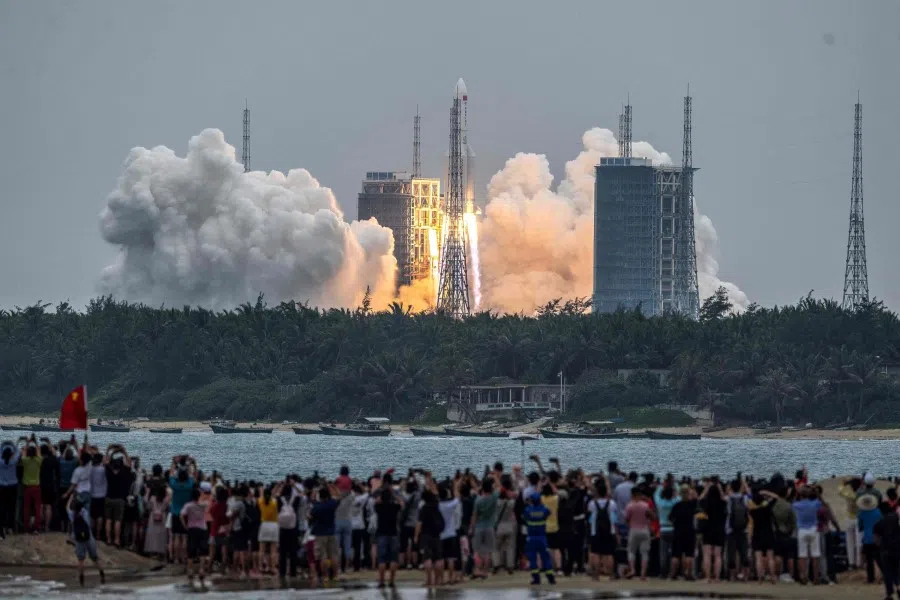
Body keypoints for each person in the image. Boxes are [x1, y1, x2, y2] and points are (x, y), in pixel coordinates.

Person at [67, 496, 105, 587]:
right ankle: (102, 574)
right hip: (89, 537)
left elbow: (67, 507)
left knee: (81, 560)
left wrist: (70, 498)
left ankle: (81, 581)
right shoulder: (85, 512)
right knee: (94, 559)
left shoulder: (71, 514)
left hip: (78, 539)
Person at [792, 485, 822, 584]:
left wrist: (797, 493)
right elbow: (820, 501)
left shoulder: (797, 505)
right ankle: (816, 577)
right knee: (815, 554)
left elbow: (793, 502)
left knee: (802, 555)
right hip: (813, 529)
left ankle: (803, 575)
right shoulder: (814, 504)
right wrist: (816, 492)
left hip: (802, 530)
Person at [310, 483, 340, 585]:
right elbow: (339, 496)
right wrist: (331, 486)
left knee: (322, 557)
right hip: (331, 532)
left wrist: (315, 490)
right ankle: (335, 575)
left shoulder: (317, 507)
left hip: (320, 533)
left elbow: (312, 501)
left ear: (320, 496)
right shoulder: (332, 504)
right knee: (333, 556)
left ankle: (325, 576)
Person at [523, 493, 556, 585]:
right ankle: (550, 578)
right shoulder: (544, 509)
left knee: (532, 558)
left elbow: (525, 517)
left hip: (531, 538)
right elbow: (548, 513)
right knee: (545, 558)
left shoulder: (528, 510)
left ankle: (536, 578)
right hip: (542, 537)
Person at [587, 478, 617, 580]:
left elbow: (590, 516)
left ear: (597, 492)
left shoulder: (592, 503)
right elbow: (613, 516)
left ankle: (596, 575)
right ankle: (611, 574)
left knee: (596, 553)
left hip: (595, 531)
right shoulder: (612, 503)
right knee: (609, 554)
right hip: (610, 531)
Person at [104, 446, 134, 547]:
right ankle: (116, 540)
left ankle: (108, 539)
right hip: (120, 499)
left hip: (109, 497)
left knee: (108, 519)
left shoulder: (108, 471)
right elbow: (130, 463)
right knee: (117, 521)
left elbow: (106, 461)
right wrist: (124, 451)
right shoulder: (124, 472)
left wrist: (109, 451)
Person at [168, 456, 196, 564]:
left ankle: (175, 558)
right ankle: (184, 558)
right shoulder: (189, 485)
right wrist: (192, 464)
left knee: (175, 537)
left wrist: (174, 463)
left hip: (175, 513)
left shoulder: (174, 485)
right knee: (184, 538)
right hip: (185, 514)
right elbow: (193, 476)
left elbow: (171, 474)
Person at [416, 485, 445, 587]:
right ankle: (438, 580)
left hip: (425, 535)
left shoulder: (424, 508)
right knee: (438, 558)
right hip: (437, 534)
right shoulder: (437, 505)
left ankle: (429, 580)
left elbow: (419, 523)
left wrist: (416, 536)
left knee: (427, 558)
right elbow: (435, 492)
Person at [181, 487, 210, 587]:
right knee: (203, 550)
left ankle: (190, 571)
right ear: (198, 496)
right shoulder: (203, 505)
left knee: (191, 550)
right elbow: (208, 505)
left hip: (192, 528)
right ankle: (201, 570)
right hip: (202, 528)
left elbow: (182, 515)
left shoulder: (188, 505)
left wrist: (185, 525)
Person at [471, 477, 499, 578]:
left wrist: (471, 527)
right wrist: (495, 477)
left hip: (479, 526)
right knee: (488, 551)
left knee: (478, 550)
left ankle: (478, 569)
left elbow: (474, 515)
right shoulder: (494, 497)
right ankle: (485, 571)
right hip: (490, 527)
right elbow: (499, 487)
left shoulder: (478, 500)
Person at [624, 487, 655, 580]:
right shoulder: (645, 505)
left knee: (631, 551)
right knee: (644, 553)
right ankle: (643, 574)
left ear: (632, 495)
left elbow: (626, 519)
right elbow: (653, 517)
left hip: (633, 530)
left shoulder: (629, 506)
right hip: (645, 530)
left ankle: (633, 570)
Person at [374, 486, 402, 588]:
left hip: (381, 533)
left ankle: (381, 581)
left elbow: (376, 502)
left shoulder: (379, 507)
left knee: (381, 559)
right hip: (393, 533)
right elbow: (402, 504)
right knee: (393, 558)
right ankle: (392, 581)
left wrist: (380, 495)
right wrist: (395, 495)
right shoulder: (394, 507)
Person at [699, 479, 726, 583]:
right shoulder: (722, 503)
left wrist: (706, 488)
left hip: (707, 529)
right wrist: (719, 488)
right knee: (718, 555)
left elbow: (700, 498)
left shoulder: (705, 502)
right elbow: (724, 498)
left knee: (707, 554)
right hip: (719, 529)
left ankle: (708, 577)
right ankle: (717, 578)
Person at [748, 487, 777, 584]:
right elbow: (777, 498)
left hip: (757, 534)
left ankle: (760, 578)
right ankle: (773, 577)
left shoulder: (753, 511)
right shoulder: (767, 507)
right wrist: (766, 492)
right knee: (770, 557)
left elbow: (750, 502)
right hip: (768, 533)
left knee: (758, 558)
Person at [669, 484, 697, 580]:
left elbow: (670, 518)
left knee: (675, 554)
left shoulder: (677, 506)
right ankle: (689, 574)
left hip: (678, 531)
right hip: (689, 531)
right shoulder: (693, 505)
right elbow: (701, 515)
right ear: (689, 493)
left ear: (680, 494)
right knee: (689, 554)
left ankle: (673, 574)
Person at [725, 478, 750, 581]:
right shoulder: (745, 499)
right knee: (744, 552)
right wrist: (744, 483)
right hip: (743, 529)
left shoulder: (728, 499)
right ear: (740, 487)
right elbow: (750, 494)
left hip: (730, 529)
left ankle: (732, 576)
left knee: (731, 553)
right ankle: (746, 576)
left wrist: (729, 487)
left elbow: (726, 492)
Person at [438, 479, 462, 584]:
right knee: (451, 558)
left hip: (441, 534)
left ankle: (442, 579)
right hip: (451, 533)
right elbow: (457, 498)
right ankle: (451, 578)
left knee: (442, 558)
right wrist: (455, 487)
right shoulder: (450, 505)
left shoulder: (438, 505)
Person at [874, 501, 900, 599]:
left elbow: (876, 540)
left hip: (886, 550)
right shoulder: (896, 518)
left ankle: (889, 594)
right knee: (897, 570)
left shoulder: (878, 523)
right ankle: (898, 587)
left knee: (888, 572)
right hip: (897, 548)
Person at [858, 490, 883, 584]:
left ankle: (870, 578)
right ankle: (882, 577)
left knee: (869, 561)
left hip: (867, 539)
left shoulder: (862, 513)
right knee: (879, 559)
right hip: (877, 539)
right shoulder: (878, 512)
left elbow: (860, 527)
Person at [654, 479, 678, 579]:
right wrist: (675, 484)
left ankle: (663, 572)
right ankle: (672, 573)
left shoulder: (660, 504)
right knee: (673, 553)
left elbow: (655, 495)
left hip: (663, 529)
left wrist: (661, 486)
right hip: (673, 529)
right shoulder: (675, 502)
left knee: (663, 553)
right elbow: (680, 496)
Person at [494, 478, 518, 575]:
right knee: (510, 547)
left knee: (496, 547)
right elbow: (514, 493)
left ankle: (497, 565)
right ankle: (510, 566)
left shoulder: (497, 502)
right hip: (509, 525)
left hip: (499, 525)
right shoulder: (511, 502)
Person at [276, 483, 299, 580]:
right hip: (293, 529)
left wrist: (279, 486)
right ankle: (293, 572)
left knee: (282, 552)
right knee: (293, 552)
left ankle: (282, 572)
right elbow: (301, 495)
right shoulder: (296, 500)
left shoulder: (279, 500)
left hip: (282, 529)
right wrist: (295, 486)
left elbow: (275, 495)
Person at [227, 484, 249, 576]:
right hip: (243, 527)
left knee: (239, 550)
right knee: (242, 549)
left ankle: (238, 569)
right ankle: (243, 569)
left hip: (238, 527)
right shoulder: (245, 502)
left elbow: (233, 516)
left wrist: (230, 527)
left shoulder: (238, 503)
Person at [38, 439, 60, 532]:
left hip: (40, 484)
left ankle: (40, 525)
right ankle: (47, 527)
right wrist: (49, 442)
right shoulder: (52, 460)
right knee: (48, 506)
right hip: (50, 485)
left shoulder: (39, 460)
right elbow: (54, 454)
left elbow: (38, 452)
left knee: (41, 506)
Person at [257, 485, 279, 574]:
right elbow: (272, 497)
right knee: (273, 550)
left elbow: (262, 497)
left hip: (264, 525)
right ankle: (272, 567)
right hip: (274, 525)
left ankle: (260, 567)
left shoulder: (261, 501)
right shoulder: (274, 502)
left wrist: (261, 490)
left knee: (262, 549)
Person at [143, 485, 169, 558]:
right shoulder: (166, 499)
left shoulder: (152, 498)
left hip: (152, 517)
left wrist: (147, 493)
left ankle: (151, 551)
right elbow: (168, 507)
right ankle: (160, 551)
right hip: (163, 518)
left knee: (152, 535)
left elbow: (147, 506)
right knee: (161, 535)